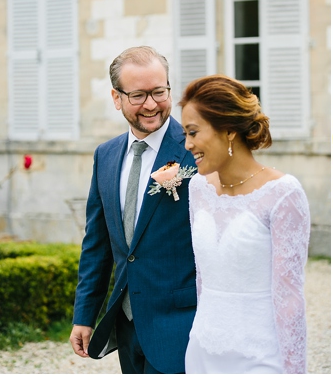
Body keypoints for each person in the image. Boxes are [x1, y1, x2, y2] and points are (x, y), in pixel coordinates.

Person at [70, 46, 197, 373]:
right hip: (126, 325)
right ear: (117, 98)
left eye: (159, 91)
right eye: (139, 95)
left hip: (183, 325)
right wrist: (85, 316)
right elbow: (97, 244)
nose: (152, 104)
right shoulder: (106, 156)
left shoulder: (196, 149)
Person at [180, 75, 310, 374]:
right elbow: (202, 277)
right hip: (202, 350)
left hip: (259, 356)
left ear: (227, 130)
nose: (188, 145)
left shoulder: (283, 193)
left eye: (193, 132)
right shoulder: (198, 188)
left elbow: (290, 295)